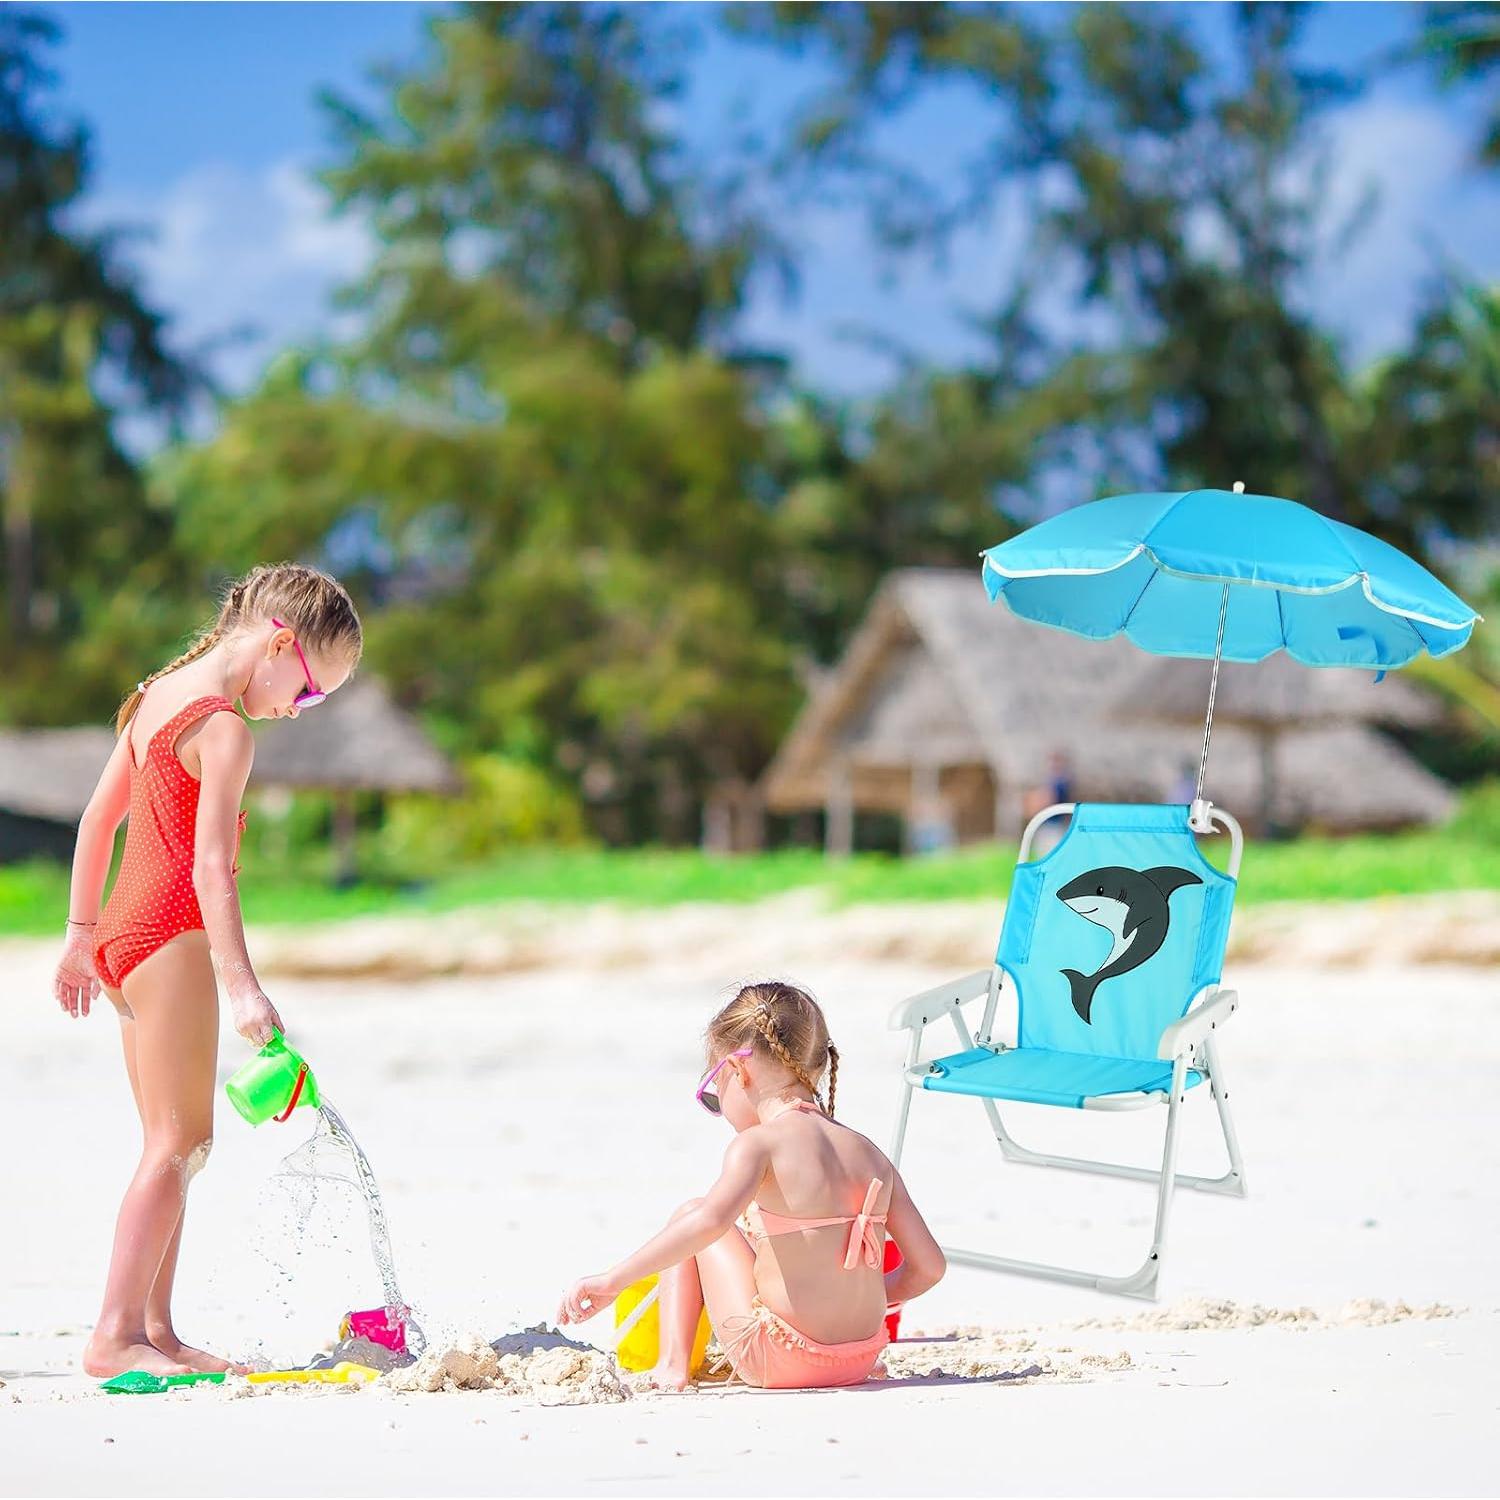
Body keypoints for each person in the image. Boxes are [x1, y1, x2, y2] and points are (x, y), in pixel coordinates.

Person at [53, 563, 362, 1379]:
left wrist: (82, 936)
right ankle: (114, 1334)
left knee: (172, 1141)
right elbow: (211, 868)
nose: (296, 708)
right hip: (170, 938)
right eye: (308, 691)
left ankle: (155, 1328)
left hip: (122, 938)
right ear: (280, 645)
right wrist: (244, 988)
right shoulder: (225, 729)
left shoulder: (156, 694)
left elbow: (97, 821)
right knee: (179, 1142)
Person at [556, 981, 946, 1390]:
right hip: (860, 1359)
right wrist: (856, 1300)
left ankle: (672, 1365)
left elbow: (707, 1223)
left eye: (714, 1092)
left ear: (738, 1070)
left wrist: (612, 1281)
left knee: (692, 1213)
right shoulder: (869, 1153)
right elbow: (930, 1268)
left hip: (782, 1360)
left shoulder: (759, 1145)